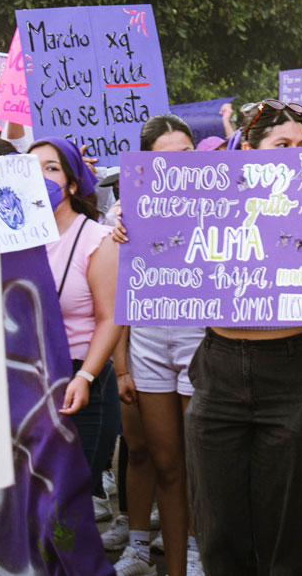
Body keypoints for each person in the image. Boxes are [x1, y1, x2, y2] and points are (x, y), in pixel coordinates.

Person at [185, 99, 302, 575]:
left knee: (288, 533)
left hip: (294, 375)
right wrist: (130, 234)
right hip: (218, 373)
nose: (295, 155)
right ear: (249, 151)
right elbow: (166, 270)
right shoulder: (209, 205)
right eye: (282, 145)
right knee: (219, 531)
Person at [109, 114, 206, 576]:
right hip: (148, 340)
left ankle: (196, 550)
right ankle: (174, 565)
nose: (178, 167)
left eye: (186, 156)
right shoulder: (125, 214)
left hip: (201, 340)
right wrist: (121, 361)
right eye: (165, 159)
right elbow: (120, 292)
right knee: (166, 463)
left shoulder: (220, 200)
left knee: (198, 463)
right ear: (145, 165)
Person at [27, 136, 123, 530]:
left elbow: (111, 317)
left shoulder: (95, 240)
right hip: (30, 382)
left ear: (70, 183)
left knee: (68, 507)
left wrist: (86, 376)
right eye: (31, 170)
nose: (41, 177)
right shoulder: (15, 237)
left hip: (79, 383)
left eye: (51, 168)